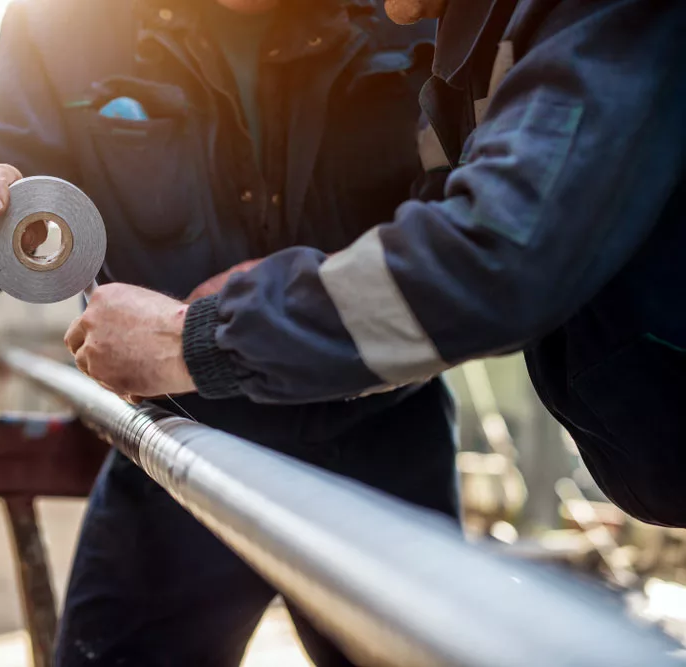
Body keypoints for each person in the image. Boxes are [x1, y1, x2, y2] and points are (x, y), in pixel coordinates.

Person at [0, 0, 459, 664]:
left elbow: (480, 237)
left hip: (384, 445)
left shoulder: (413, 10)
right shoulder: (65, 26)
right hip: (178, 451)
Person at [69, 0, 686, 528]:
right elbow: (467, 243)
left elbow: (492, 257)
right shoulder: (475, 44)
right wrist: (271, 299)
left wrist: (190, 340)